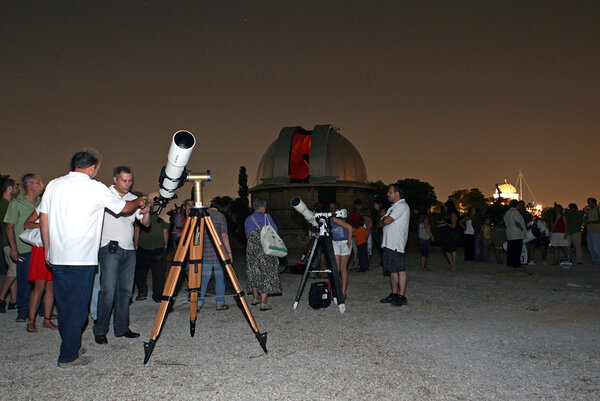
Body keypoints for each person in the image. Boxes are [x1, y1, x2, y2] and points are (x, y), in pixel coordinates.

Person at [39, 150, 148, 367]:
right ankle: (68, 356)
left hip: (58, 255)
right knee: (79, 308)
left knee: (65, 305)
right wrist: (141, 201)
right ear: (92, 168)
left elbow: (44, 216)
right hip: (82, 258)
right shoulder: (95, 187)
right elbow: (124, 207)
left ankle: (72, 345)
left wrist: (47, 249)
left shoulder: (53, 184)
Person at [93, 166, 150, 345]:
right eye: (124, 180)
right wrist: (138, 202)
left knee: (125, 292)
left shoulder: (134, 198)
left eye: (130, 181)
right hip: (109, 249)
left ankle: (122, 328)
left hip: (129, 250)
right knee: (108, 291)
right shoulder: (106, 195)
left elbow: (145, 224)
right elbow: (121, 210)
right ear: (115, 179)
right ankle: (101, 330)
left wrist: (146, 212)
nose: (128, 184)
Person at [3, 174, 44, 322]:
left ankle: (42, 310)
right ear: (30, 185)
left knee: (42, 279)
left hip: (40, 247)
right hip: (24, 248)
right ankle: (23, 309)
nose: (42, 185)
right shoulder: (16, 204)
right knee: (24, 280)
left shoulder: (41, 202)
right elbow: (9, 227)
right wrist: (13, 248)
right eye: (39, 183)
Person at [244, 198, 281, 311]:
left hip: (252, 249)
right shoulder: (266, 217)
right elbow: (275, 230)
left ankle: (255, 298)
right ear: (262, 207)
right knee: (266, 272)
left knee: (254, 271)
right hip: (265, 248)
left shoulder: (248, 219)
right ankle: (263, 304)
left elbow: (247, 235)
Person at [23, 209, 57, 332]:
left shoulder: (61, 203)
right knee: (39, 285)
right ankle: (31, 320)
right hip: (40, 248)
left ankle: (47, 320)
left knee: (51, 285)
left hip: (54, 246)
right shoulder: (42, 205)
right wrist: (43, 224)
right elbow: (26, 224)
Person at [379, 184, 410, 307]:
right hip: (388, 242)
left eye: (390, 192)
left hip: (396, 243)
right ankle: (394, 293)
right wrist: (383, 221)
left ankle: (402, 296)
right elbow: (380, 223)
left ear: (397, 193)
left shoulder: (402, 206)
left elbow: (385, 221)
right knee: (392, 269)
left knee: (400, 269)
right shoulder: (393, 207)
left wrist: (384, 221)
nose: (388, 194)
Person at [197, 204, 233, 310]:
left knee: (203, 280)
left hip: (205, 253)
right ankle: (219, 303)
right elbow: (224, 235)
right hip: (219, 253)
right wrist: (229, 252)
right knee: (220, 279)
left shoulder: (201, 216)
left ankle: (199, 303)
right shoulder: (220, 216)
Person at [134, 200, 169, 302]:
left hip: (143, 246)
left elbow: (137, 229)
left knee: (141, 272)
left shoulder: (142, 213)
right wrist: (165, 243)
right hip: (158, 247)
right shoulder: (162, 216)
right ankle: (158, 295)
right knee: (159, 273)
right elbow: (165, 231)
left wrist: (136, 243)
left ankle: (142, 292)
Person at [328, 202, 354, 299]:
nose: (332, 209)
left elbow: (350, 228)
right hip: (336, 242)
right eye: (331, 208)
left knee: (343, 269)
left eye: (334, 207)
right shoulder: (330, 219)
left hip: (344, 242)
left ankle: (343, 292)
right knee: (336, 269)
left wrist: (349, 241)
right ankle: (335, 291)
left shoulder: (336, 218)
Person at [0, 178, 17, 312]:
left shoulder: (4, 204)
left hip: (5, 241)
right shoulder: (6, 205)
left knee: (12, 270)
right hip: (8, 241)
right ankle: (1, 298)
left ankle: (13, 300)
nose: (17, 190)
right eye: (15, 187)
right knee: (14, 271)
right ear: (9, 189)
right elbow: (9, 226)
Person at [503, 200, 526, 268]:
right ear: (517, 205)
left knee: (510, 249)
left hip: (509, 232)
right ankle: (516, 263)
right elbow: (517, 222)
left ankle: (510, 262)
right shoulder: (515, 212)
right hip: (516, 233)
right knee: (517, 249)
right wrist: (521, 228)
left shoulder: (507, 212)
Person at [438, 201, 459, 272]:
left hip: (452, 234)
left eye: (446, 206)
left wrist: (445, 223)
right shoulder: (448, 214)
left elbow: (453, 225)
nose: (445, 208)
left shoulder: (453, 214)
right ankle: (452, 264)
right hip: (447, 234)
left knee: (452, 249)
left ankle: (454, 266)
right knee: (446, 250)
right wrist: (442, 225)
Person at [417, 205, 434, 270]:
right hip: (425, 236)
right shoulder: (425, 218)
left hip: (421, 236)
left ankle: (424, 265)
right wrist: (432, 236)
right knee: (425, 251)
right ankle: (423, 266)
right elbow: (427, 227)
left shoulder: (420, 217)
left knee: (424, 251)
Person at [584, 198, 600, 267]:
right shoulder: (588, 211)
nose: (589, 204)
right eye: (588, 203)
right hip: (589, 231)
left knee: (596, 247)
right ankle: (594, 261)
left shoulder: (598, 209)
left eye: (590, 203)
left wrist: (592, 222)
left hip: (596, 231)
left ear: (594, 203)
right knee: (590, 247)